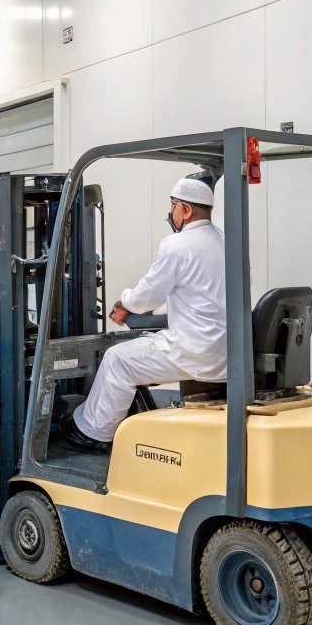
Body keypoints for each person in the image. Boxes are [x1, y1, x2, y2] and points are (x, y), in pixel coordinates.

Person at [63, 176, 227, 453]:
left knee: (117, 360)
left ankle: (93, 432)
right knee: (137, 350)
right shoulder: (225, 242)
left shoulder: (177, 245)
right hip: (223, 351)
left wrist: (125, 302)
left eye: (173, 205)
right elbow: (202, 296)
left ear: (185, 210)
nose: (171, 212)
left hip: (193, 352)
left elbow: (147, 295)